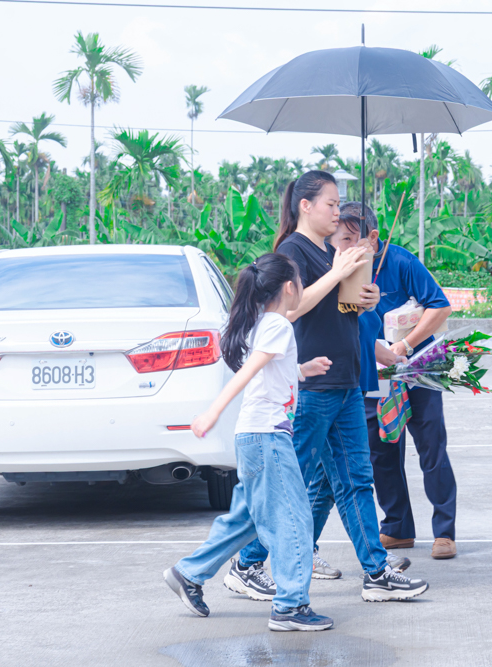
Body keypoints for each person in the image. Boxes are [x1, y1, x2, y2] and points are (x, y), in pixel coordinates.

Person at [228, 171, 429, 602]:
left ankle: (376, 573)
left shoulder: (324, 251)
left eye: (339, 205)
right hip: (313, 387)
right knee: (291, 484)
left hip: (345, 382)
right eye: (331, 204)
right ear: (306, 205)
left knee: (357, 481)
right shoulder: (291, 252)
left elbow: (337, 310)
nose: (338, 213)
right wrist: (337, 272)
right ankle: (246, 562)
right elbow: (292, 309)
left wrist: (362, 298)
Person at [163, 253, 334, 632]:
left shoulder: (260, 323)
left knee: (250, 520)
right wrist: (212, 413)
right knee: (293, 520)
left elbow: (267, 374)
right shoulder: (277, 325)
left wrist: (301, 370)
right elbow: (250, 373)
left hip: (256, 438)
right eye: (301, 282)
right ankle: (290, 607)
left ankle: (188, 573)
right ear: (290, 287)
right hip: (268, 437)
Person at [321, 202, 457, 561]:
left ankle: (444, 532)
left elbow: (440, 305)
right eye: (337, 242)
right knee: (381, 450)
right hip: (373, 371)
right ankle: (397, 527)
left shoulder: (401, 262)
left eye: (351, 239)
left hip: (418, 367)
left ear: (373, 237)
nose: (344, 249)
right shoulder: (340, 269)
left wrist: (406, 344)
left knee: (431, 447)